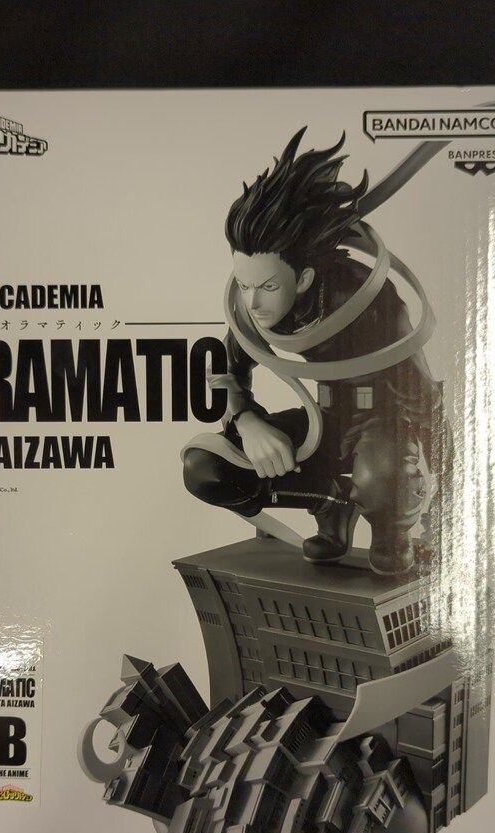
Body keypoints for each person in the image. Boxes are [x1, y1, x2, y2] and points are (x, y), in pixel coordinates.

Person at [182, 128, 449, 575]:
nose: (253, 301)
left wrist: (450, 495)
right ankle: (331, 506)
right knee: (205, 467)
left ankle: (390, 528)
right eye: (244, 285)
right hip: (323, 421)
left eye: (268, 287)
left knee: (380, 476)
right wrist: (247, 421)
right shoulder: (252, 306)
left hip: (383, 425)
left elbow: (422, 399)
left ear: (304, 278)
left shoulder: (367, 299)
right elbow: (231, 371)